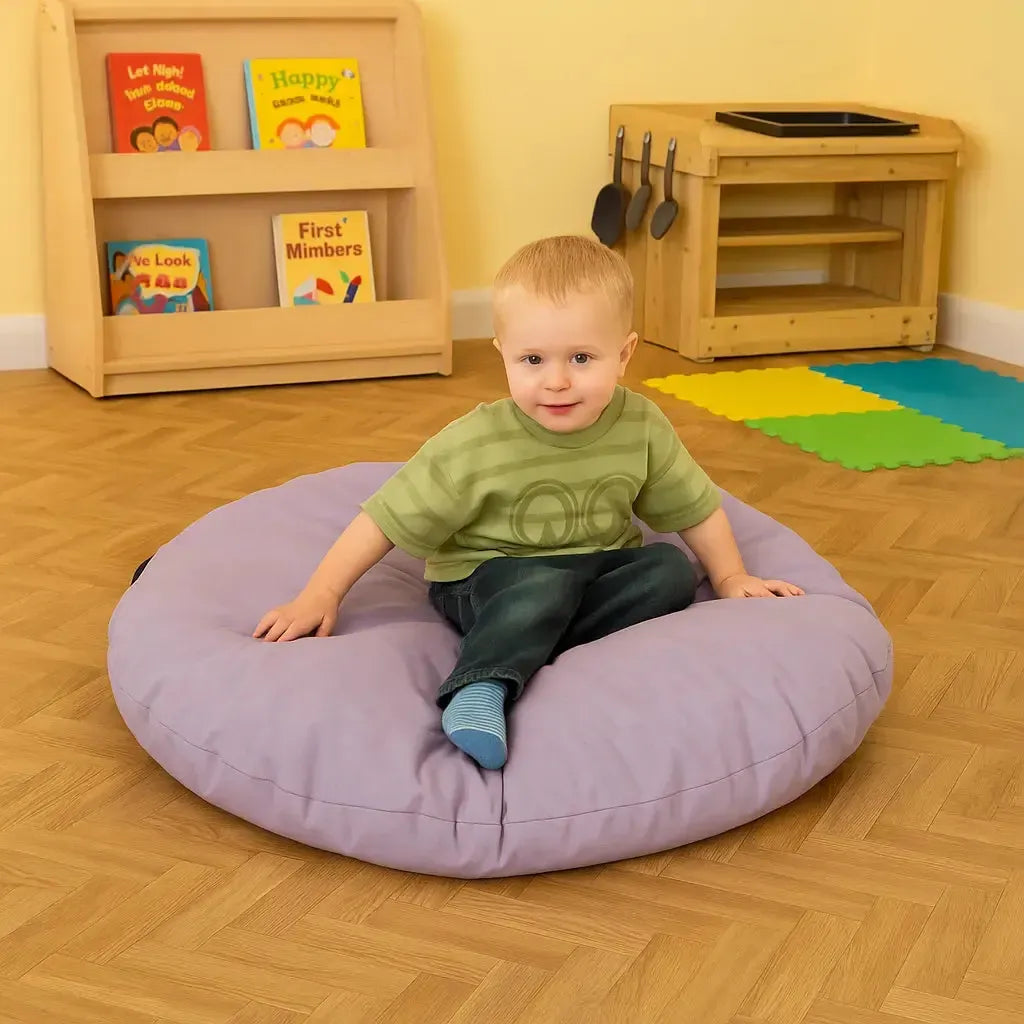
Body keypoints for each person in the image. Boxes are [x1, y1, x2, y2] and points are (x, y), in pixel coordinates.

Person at [253, 235, 804, 770]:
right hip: (487, 577)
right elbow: (385, 519)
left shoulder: (641, 425)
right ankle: (479, 687)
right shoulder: (476, 442)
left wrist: (730, 576)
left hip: (592, 569)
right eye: (533, 359)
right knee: (542, 586)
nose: (556, 381)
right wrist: (321, 593)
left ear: (624, 354)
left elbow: (693, 507)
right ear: (503, 355)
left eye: (582, 357)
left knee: (669, 570)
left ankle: (538, 637)